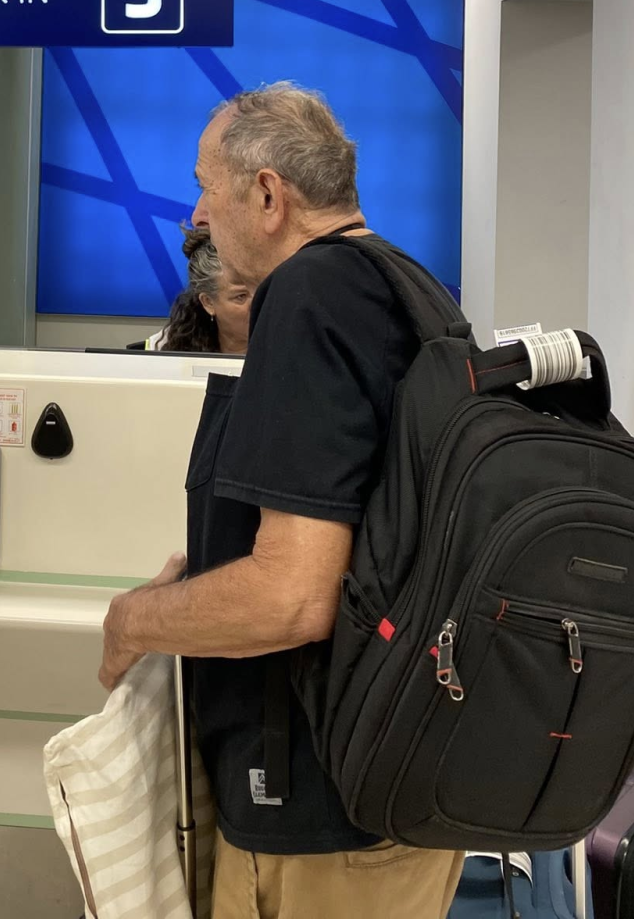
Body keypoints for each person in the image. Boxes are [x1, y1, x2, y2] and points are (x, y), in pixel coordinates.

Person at [98, 81, 464, 919]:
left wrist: (135, 622)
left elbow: (293, 597)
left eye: (205, 187)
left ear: (267, 195)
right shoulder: (411, 288)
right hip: (401, 788)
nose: (197, 216)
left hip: (320, 816)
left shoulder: (309, 296)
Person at [146, 227, 250, 353]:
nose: (258, 304)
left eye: (261, 290)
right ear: (208, 302)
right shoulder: (165, 348)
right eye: (241, 296)